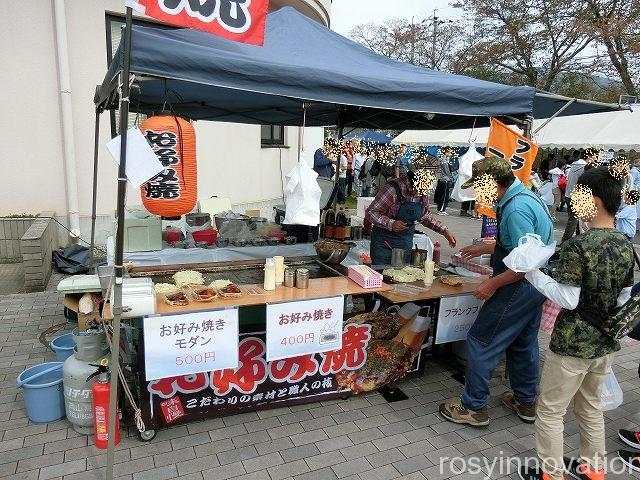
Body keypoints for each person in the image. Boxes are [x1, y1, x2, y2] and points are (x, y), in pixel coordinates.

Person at [518, 167, 635, 480]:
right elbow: (624, 297)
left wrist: (532, 273)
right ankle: (594, 471)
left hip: (572, 344)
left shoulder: (578, 246)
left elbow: (568, 299)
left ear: (593, 201)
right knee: (591, 408)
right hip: (605, 343)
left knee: (551, 411)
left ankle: (551, 474)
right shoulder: (626, 244)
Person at [440, 157, 554, 428]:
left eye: (480, 186)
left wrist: (492, 283)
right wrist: (485, 248)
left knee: (481, 340)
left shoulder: (516, 210)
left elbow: (523, 264)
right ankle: (526, 401)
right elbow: (524, 245)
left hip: (519, 285)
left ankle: (473, 408)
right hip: (536, 285)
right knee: (523, 343)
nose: (479, 192)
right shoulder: (525, 195)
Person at [365, 162, 457, 265]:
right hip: (384, 244)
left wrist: (444, 230)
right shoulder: (392, 189)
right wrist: (390, 223)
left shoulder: (422, 192)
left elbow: (425, 216)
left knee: (402, 276)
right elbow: (370, 212)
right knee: (382, 277)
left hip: (405, 243)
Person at [561, 151, 588, 244]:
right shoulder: (584, 167)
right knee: (573, 220)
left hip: (569, 194)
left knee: (575, 220)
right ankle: (565, 241)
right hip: (576, 196)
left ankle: (576, 240)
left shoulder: (574, 165)